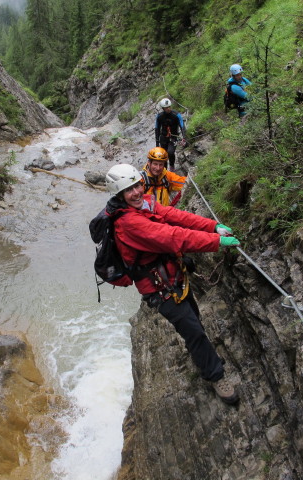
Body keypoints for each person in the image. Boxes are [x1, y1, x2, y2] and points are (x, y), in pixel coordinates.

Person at [103, 163, 242, 404]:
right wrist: (216, 242)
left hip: (174, 276)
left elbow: (175, 216)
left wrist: (212, 226)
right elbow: (172, 237)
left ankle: (201, 355)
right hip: (159, 289)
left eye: (136, 186)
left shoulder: (145, 203)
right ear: (119, 196)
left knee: (194, 321)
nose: (135, 192)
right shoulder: (128, 223)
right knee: (194, 331)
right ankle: (215, 376)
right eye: (128, 190)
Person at [154, 98, 187, 171]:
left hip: (173, 137)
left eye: (169, 107)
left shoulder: (176, 115)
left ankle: (172, 166)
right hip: (163, 137)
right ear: (163, 108)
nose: (168, 109)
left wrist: (184, 137)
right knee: (164, 155)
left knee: (170, 152)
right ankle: (164, 170)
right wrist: (157, 142)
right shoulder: (159, 116)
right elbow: (157, 128)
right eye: (166, 108)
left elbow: (182, 126)